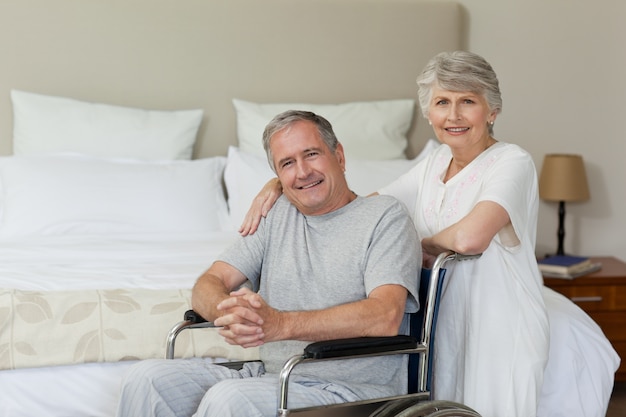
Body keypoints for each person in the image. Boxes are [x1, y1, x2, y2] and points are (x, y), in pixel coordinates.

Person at [115, 110, 422, 417]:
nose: (302, 172)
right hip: (271, 376)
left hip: (349, 391)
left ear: (338, 156)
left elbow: (385, 315)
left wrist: (279, 324)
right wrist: (232, 312)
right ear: (277, 175)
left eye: (311, 154)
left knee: (229, 399)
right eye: (287, 163)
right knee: (148, 380)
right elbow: (211, 281)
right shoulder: (277, 214)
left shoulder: (385, 216)